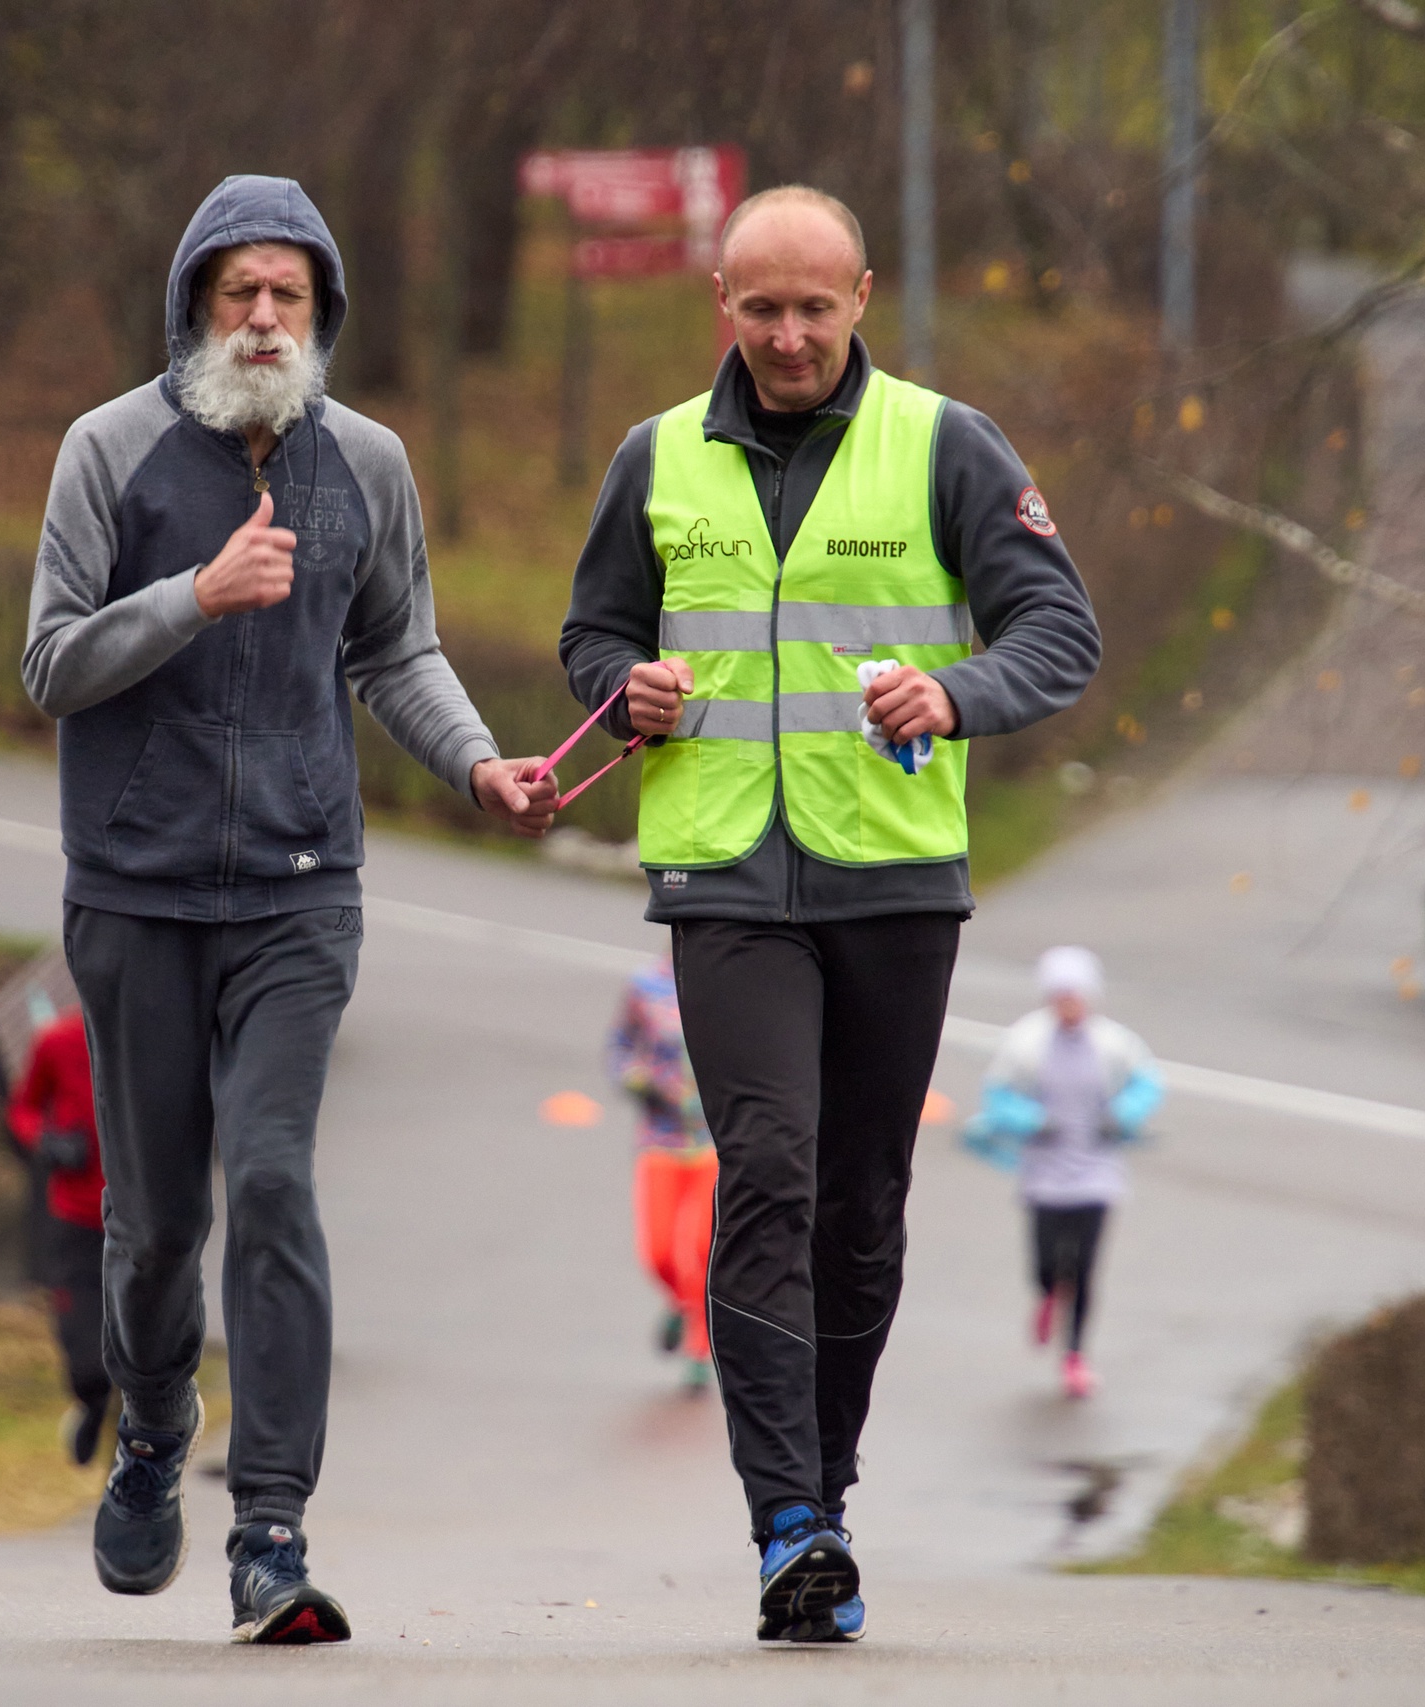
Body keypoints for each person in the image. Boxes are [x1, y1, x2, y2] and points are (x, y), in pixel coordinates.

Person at [557, 184, 1101, 1644]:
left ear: (862, 294)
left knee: (863, 1203)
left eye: (814, 307)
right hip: (726, 873)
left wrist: (958, 690)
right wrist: (629, 691)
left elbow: (1059, 626)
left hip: (893, 878)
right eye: (761, 308)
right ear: (720, 307)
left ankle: (830, 1486)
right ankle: (786, 1518)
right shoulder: (657, 456)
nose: (789, 336)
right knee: (771, 1171)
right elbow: (594, 631)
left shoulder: (946, 444)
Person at [22, 174, 556, 1646]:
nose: (263, 318)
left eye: (289, 295)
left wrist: (478, 764)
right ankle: (148, 1424)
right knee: (152, 1227)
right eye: (237, 291)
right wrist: (195, 593)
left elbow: (399, 650)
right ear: (194, 301)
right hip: (135, 893)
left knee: (270, 1182)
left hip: (300, 895)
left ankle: (271, 1529)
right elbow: (52, 663)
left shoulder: (365, 464)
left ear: (324, 312)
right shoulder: (110, 452)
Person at [962, 947, 1164, 1400]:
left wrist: (1124, 1114)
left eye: (1076, 996)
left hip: (1097, 1172)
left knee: (1087, 1267)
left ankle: (1074, 1355)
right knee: (1047, 1262)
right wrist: (1031, 1121)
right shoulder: (1027, 1043)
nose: (1069, 1005)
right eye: (1061, 996)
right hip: (1045, 1174)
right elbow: (997, 1096)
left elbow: (1147, 1083)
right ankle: (1049, 1292)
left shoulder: (1114, 1044)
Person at [4, 1005, 112, 1464]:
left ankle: (137, 1457)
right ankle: (91, 1402)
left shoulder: (154, 1038)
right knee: (85, 1349)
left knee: (144, 1346)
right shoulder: (57, 1040)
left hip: (141, 1219)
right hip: (76, 1216)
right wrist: (46, 1140)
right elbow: (23, 1108)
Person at [609, 955, 716, 1392]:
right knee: (658, 1253)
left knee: (700, 1248)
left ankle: (699, 1351)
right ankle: (681, 1303)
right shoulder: (646, 986)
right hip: (660, 1138)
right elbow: (619, 1048)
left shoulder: (738, 986)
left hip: (715, 1141)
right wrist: (640, 1080)